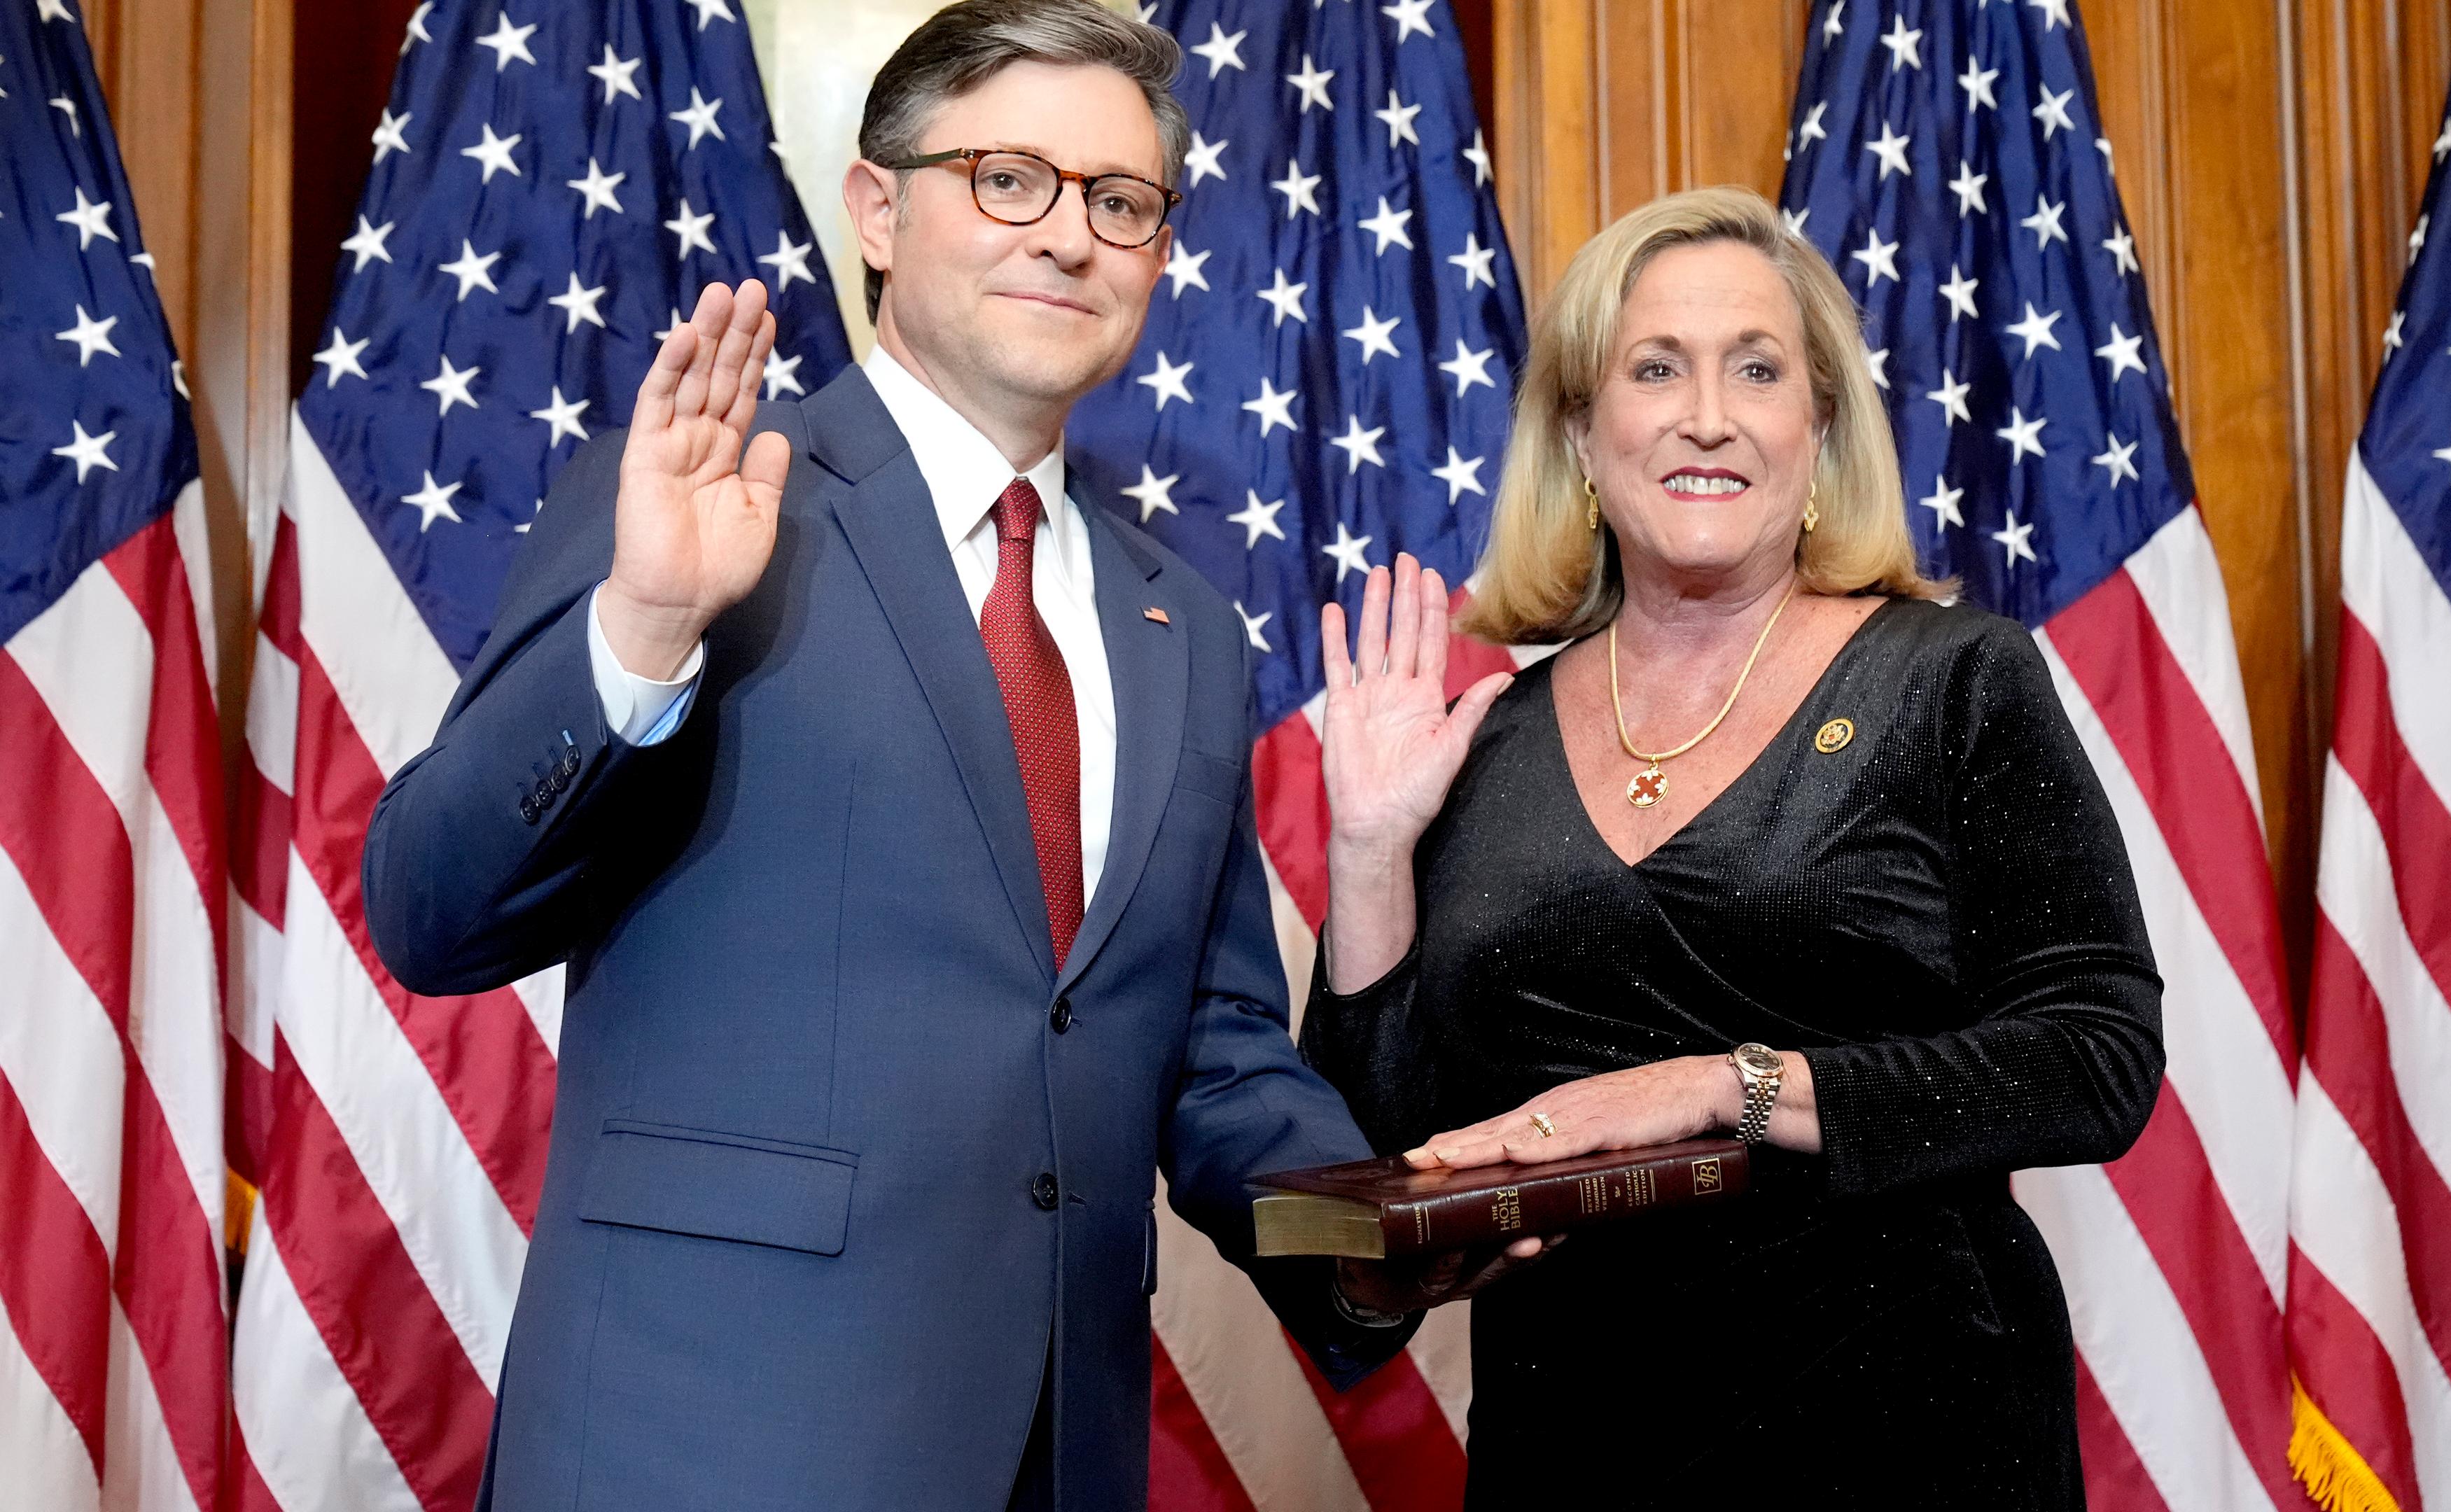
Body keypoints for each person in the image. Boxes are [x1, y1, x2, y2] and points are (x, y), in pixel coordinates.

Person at [362, 4, 1531, 1507]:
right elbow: (427, 913)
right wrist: (642, 630)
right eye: (1007, 178)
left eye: (1118, 201)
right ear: (876, 207)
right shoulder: (709, 501)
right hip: (705, 1447)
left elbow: (1214, 1062)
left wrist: (1380, 1231)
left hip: (1059, 1460)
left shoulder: (1187, 625)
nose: (1066, 237)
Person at [1300, 186, 2167, 1508]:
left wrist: (1723, 1088)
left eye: (1756, 369)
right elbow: (1392, 1169)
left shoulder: (1956, 681)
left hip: (1906, 1432)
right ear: (1583, 437)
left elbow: (2097, 1059)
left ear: (1817, 432)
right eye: (1656, 369)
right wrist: (1367, 854)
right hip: (1572, 1446)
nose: (1707, 414)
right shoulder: (1486, 738)